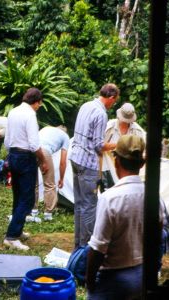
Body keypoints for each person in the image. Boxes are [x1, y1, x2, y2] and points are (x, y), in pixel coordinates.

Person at [85, 135, 165, 299]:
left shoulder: (110, 198)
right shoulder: (155, 196)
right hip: (143, 274)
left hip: (115, 279)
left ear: (116, 162)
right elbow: (158, 237)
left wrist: (90, 281)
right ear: (142, 164)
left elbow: (98, 249)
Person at [69, 83, 119, 248]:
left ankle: (77, 245)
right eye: (115, 101)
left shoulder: (86, 105)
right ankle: (86, 248)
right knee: (89, 206)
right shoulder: (101, 114)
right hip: (88, 163)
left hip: (75, 158)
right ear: (111, 98)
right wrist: (117, 144)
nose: (113, 104)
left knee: (79, 204)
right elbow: (98, 145)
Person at [3, 87, 48, 251]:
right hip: (26, 157)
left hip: (13, 154)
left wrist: (10, 155)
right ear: (36, 102)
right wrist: (43, 160)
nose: (38, 107)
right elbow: (34, 144)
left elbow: (7, 139)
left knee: (17, 194)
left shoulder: (14, 111)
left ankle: (17, 229)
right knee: (27, 198)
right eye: (39, 104)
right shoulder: (30, 115)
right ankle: (12, 236)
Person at [34, 125, 69, 221]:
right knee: (49, 184)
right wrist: (61, 179)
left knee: (33, 183)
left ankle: (33, 211)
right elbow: (63, 162)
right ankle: (48, 214)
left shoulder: (46, 128)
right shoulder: (65, 137)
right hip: (45, 151)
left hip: (32, 149)